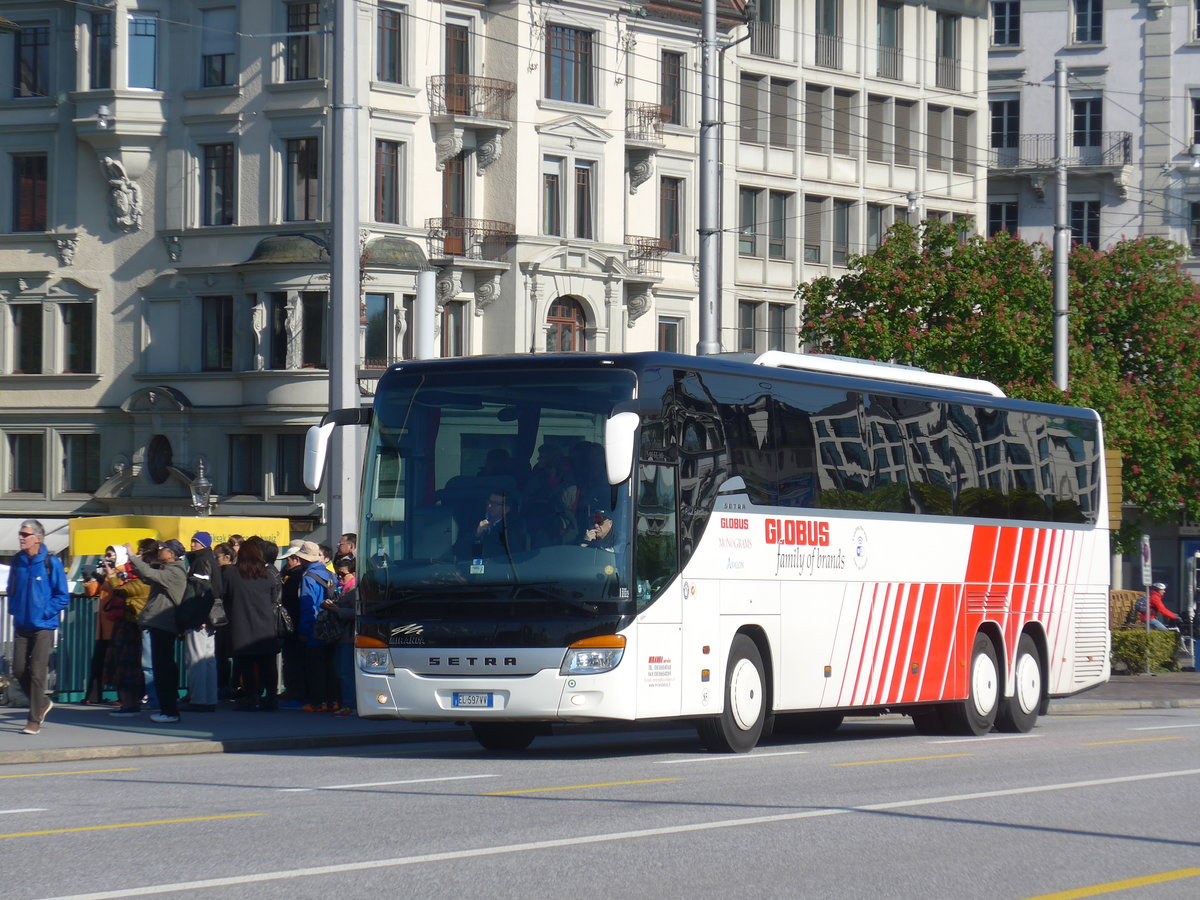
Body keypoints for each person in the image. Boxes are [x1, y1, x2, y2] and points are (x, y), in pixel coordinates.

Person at [6, 519, 70, 735]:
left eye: (25, 534)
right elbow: (11, 589)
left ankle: (33, 719)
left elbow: (62, 596)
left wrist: (44, 611)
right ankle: (42, 702)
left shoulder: (51, 563)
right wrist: (15, 609)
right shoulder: (17, 561)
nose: (21, 538)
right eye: (20, 534)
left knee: (37, 672)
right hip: (22, 624)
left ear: (38, 538)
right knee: (18, 669)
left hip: (43, 625)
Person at [124, 539, 188, 723]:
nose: (160, 551)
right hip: (160, 623)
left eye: (163, 549)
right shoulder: (168, 570)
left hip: (164, 624)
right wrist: (135, 562)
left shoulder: (175, 572)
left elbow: (149, 573)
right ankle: (168, 709)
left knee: (163, 668)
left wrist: (131, 557)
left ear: (172, 554)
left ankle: (169, 711)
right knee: (163, 667)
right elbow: (147, 577)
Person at [221, 538, 282, 711]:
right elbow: (272, 599)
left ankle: (249, 697)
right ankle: (271, 698)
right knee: (268, 664)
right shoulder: (267, 575)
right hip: (266, 626)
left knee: (246, 664)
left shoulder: (231, 573)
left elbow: (222, 595)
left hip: (241, 625)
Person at [103, 547, 150, 717]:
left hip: (130, 627)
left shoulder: (140, 583)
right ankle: (130, 703)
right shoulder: (141, 581)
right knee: (128, 667)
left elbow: (120, 591)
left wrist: (112, 576)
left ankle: (130, 704)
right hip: (130, 626)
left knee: (126, 667)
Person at [294, 540, 339, 712]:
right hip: (331, 625)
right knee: (330, 666)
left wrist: (304, 631)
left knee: (315, 667)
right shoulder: (331, 575)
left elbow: (307, 605)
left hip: (315, 627)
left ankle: (317, 702)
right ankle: (332, 700)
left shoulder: (308, 577)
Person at [181, 531, 220, 712]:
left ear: (203, 544)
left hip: (200, 618)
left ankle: (198, 699)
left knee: (197, 660)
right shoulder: (211, 560)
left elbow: (202, 592)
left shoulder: (199, 561)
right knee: (208, 660)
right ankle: (210, 698)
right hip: (212, 618)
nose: (192, 544)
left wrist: (200, 617)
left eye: (196, 542)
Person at [459, 491, 527, 558]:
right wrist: (476, 534)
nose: (490, 505)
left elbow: (511, 554)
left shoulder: (511, 529)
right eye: (489, 502)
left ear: (506, 509)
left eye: (496, 503)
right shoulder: (476, 523)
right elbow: (460, 552)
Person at [330, 559, 358, 717]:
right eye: (337, 574)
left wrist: (337, 610)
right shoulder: (344, 588)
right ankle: (346, 703)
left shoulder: (355, 590)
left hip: (349, 636)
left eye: (342, 575)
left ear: (353, 574)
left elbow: (358, 612)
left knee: (346, 673)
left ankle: (350, 705)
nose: (339, 578)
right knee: (342, 671)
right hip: (342, 636)